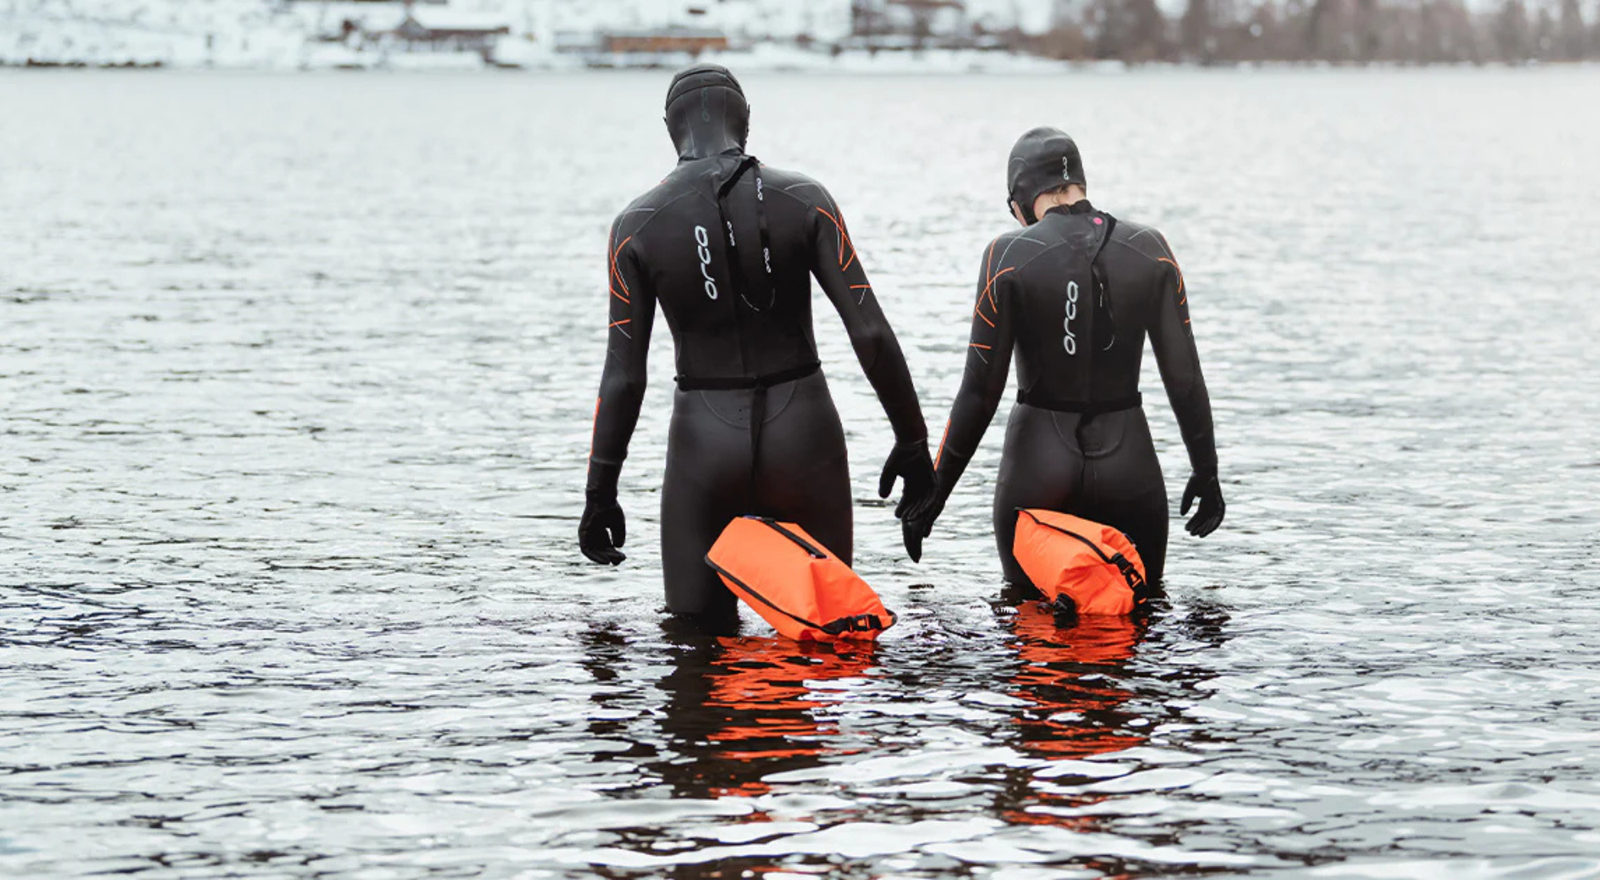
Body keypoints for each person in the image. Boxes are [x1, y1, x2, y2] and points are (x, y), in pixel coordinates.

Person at [579, 64, 934, 626]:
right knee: (831, 637)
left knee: (694, 652)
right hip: (805, 436)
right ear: (744, 121)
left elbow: (624, 377)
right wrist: (913, 443)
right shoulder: (806, 198)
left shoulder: (635, 225)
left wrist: (600, 489)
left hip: (703, 444)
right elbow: (869, 332)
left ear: (670, 130)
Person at [905, 127, 1225, 589]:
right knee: (1141, 621)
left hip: (1038, 465)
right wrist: (1206, 470)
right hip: (1130, 468)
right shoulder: (1151, 250)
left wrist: (934, 493)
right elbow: (1186, 379)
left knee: (1027, 626)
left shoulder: (1007, 254)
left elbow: (980, 392)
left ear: (1020, 201)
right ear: (1080, 184)